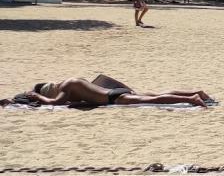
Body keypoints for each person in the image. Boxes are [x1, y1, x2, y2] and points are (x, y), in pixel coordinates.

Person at [5, 78, 212, 108]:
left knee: (153, 99)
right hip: (113, 90)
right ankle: (196, 92)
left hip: (112, 98)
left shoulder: (66, 86)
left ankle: (191, 99)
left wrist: (38, 97)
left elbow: (55, 103)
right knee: (153, 93)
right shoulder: (73, 80)